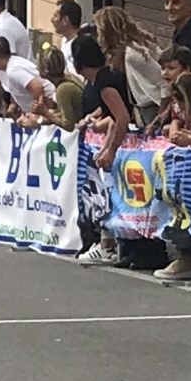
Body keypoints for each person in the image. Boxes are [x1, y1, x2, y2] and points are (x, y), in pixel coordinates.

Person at [72, 35, 131, 267]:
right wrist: (106, 147)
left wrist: (111, 150)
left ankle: (110, 244)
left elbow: (122, 116)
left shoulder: (104, 83)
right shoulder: (104, 78)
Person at [94, 6, 164, 126]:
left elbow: (163, 81)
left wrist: (161, 113)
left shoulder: (134, 54)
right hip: (145, 106)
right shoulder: (132, 48)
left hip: (154, 106)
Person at [0, 37, 55, 116]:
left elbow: (36, 87)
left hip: (51, 106)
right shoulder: (15, 62)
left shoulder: (13, 70)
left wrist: (35, 114)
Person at [32, 45, 82, 130]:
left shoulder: (63, 89)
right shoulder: (71, 78)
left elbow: (68, 125)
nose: (36, 68)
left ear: (46, 70)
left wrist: (45, 113)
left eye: (39, 65)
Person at [52, 0, 82, 74]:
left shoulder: (79, 46)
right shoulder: (64, 40)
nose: (52, 20)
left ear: (65, 20)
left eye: (55, 16)